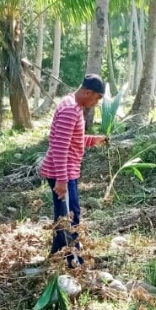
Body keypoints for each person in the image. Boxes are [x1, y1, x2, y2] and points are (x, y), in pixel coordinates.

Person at [40, 74, 108, 267]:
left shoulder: (72, 105)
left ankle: (56, 255)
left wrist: (91, 140)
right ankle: (74, 261)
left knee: (63, 216)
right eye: (96, 98)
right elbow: (60, 147)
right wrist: (62, 180)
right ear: (88, 92)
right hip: (63, 173)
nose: (95, 103)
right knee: (71, 216)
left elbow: (71, 139)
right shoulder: (71, 109)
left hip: (64, 172)